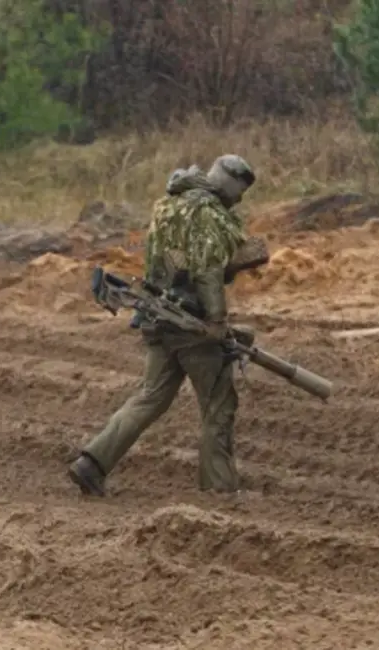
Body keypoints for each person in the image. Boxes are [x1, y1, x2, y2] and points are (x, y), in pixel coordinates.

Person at [67, 154, 267, 496]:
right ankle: (221, 491)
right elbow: (205, 271)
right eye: (240, 191)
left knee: (150, 397)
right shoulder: (207, 214)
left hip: (158, 317)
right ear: (230, 185)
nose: (240, 200)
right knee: (219, 404)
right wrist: (217, 321)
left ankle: (93, 463)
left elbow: (171, 260)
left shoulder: (169, 204)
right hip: (192, 323)